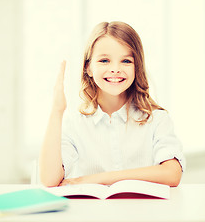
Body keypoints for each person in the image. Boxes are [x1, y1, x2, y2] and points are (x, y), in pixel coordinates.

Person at [39, 21, 185, 187]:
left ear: (137, 67)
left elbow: (172, 174)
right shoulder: (75, 123)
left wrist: (98, 179)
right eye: (104, 61)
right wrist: (57, 111)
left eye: (126, 61)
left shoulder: (156, 119)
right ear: (88, 68)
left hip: (145, 212)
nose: (115, 69)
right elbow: (49, 180)